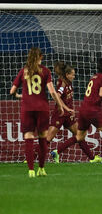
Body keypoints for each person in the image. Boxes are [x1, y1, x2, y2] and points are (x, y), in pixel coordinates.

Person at [10, 47, 70, 177]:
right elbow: (52, 92)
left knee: (28, 138)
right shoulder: (45, 71)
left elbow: (12, 90)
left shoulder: (23, 71)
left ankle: (31, 170)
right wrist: (60, 106)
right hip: (42, 108)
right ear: (41, 57)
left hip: (27, 108)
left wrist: (19, 95)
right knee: (43, 139)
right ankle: (41, 169)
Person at [56, 57, 102, 164]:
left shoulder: (93, 77)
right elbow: (101, 93)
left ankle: (57, 151)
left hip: (83, 109)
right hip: (93, 110)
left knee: (80, 136)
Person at [48, 61, 102, 163]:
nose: (74, 76)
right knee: (48, 138)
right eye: (72, 74)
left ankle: (92, 158)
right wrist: (66, 108)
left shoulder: (68, 83)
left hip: (68, 115)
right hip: (60, 114)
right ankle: (31, 157)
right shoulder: (62, 83)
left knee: (79, 135)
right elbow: (57, 97)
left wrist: (69, 110)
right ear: (67, 75)